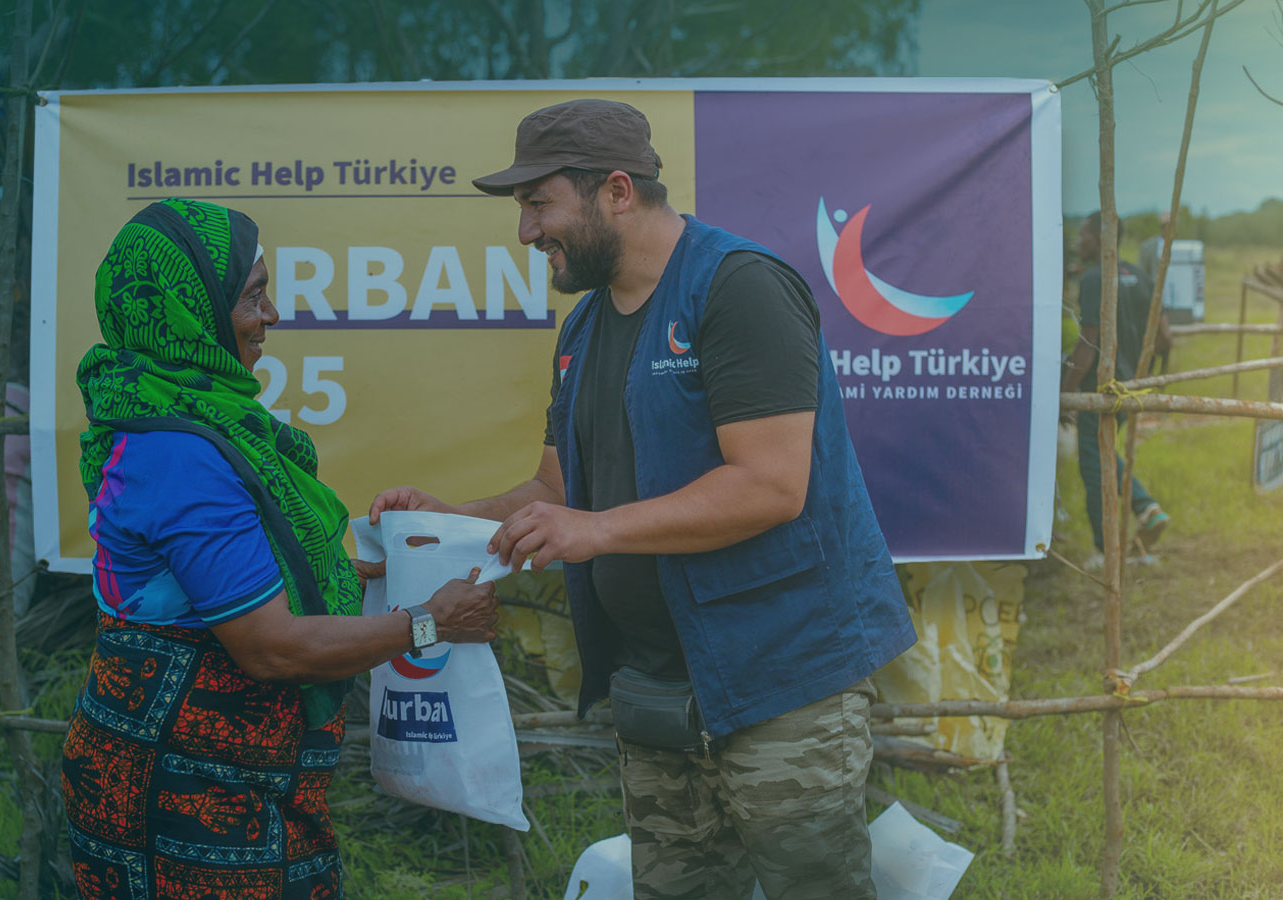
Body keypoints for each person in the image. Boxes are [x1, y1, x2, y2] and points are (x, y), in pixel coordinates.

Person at [369, 100, 916, 900]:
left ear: (617, 192)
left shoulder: (739, 288)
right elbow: (557, 492)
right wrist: (444, 518)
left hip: (781, 678)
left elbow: (771, 485)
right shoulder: (582, 331)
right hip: (654, 689)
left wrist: (597, 530)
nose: (526, 231)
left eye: (539, 204)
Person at [63, 198, 499, 900]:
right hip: (184, 790)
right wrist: (429, 624)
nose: (270, 315)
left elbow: (224, 582)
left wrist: (352, 572)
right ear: (192, 309)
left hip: (230, 775)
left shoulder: (183, 415)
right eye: (252, 295)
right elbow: (269, 647)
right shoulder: (180, 455)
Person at [1060, 211, 1171, 564]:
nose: (1079, 242)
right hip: (1131, 385)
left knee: (1095, 465)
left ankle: (1107, 548)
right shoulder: (1141, 276)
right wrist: (1144, 372)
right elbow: (1164, 337)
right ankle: (1145, 512)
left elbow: (1088, 341)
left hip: (1101, 388)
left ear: (1099, 238)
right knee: (1105, 453)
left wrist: (1066, 394)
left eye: (1084, 235)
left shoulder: (1095, 279)